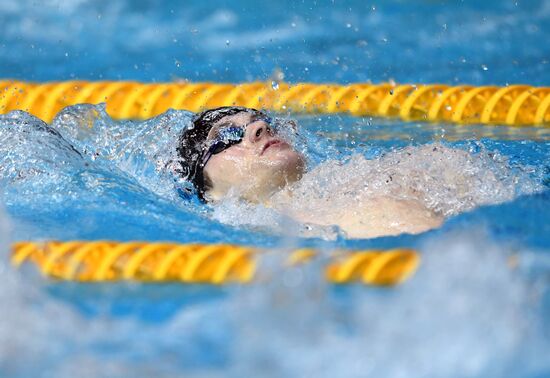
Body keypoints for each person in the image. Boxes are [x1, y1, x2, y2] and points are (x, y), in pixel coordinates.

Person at [177, 106, 443, 238]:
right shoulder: (265, 238)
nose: (260, 127)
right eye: (228, 134)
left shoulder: (358, 177)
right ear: (209, 192)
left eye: (263, 121)